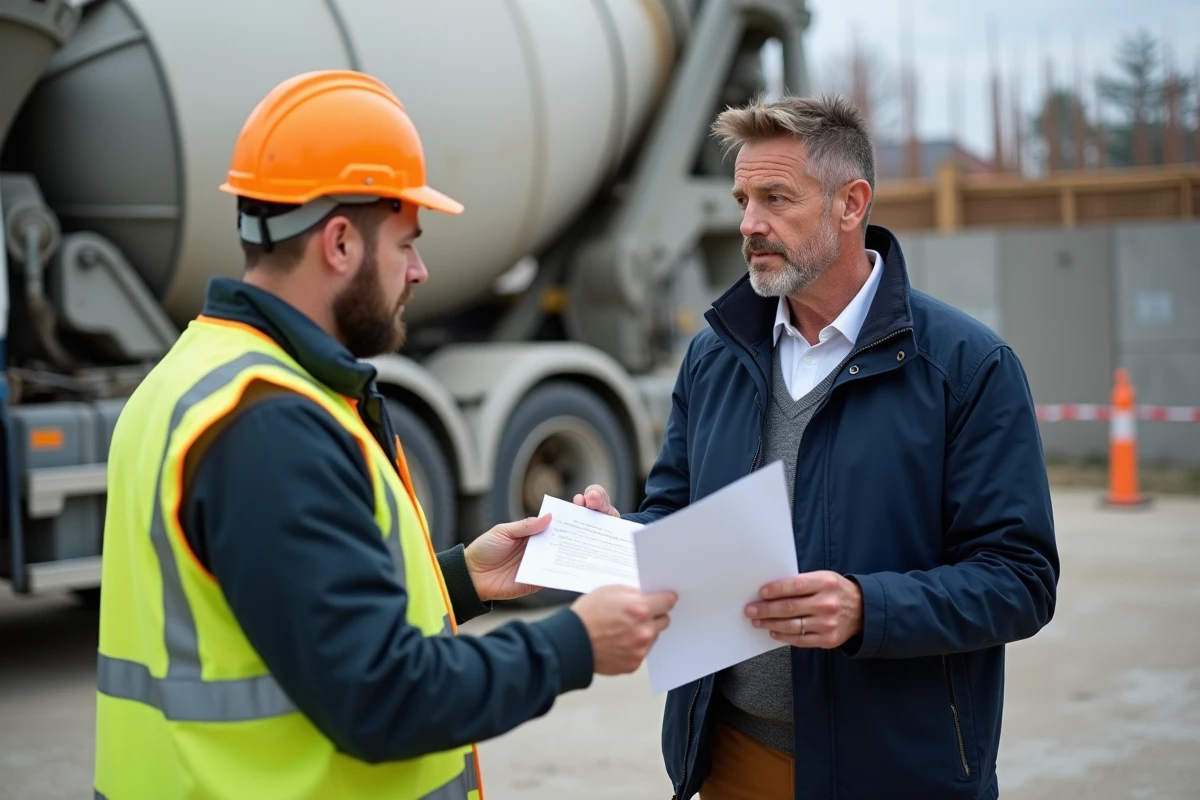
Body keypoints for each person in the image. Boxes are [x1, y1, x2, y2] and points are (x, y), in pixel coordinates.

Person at [92, 69, 677, 800]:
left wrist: (464, 578)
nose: (421, 270)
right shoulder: (269, 426)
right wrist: (574, 643)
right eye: (407, 242)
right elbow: (381, 696)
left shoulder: (198, 375)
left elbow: (285, 619)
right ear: (339, 242)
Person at [574, 93, 1060, 800]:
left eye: (776, 198)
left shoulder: (967, 368)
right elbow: (676, 514)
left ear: (850, 203)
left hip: (896, 772)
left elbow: (1020, 580)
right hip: (732, 756)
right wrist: (623, 537)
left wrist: (868, 608)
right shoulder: (715, 356)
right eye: (742, 198)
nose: (749, 224)